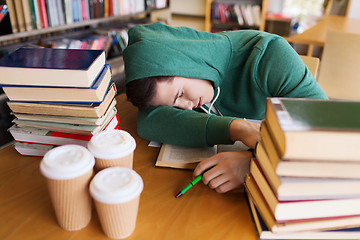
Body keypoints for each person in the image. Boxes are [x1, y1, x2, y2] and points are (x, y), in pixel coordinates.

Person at [123, 22, 327, 194]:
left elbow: (328, 132)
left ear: (186, 62)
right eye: (174, 105)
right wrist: (236, 128)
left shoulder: (270, 55)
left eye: (181, 95)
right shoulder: (189, 81)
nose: (184, 107)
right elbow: (148, 121)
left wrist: (255, 164)